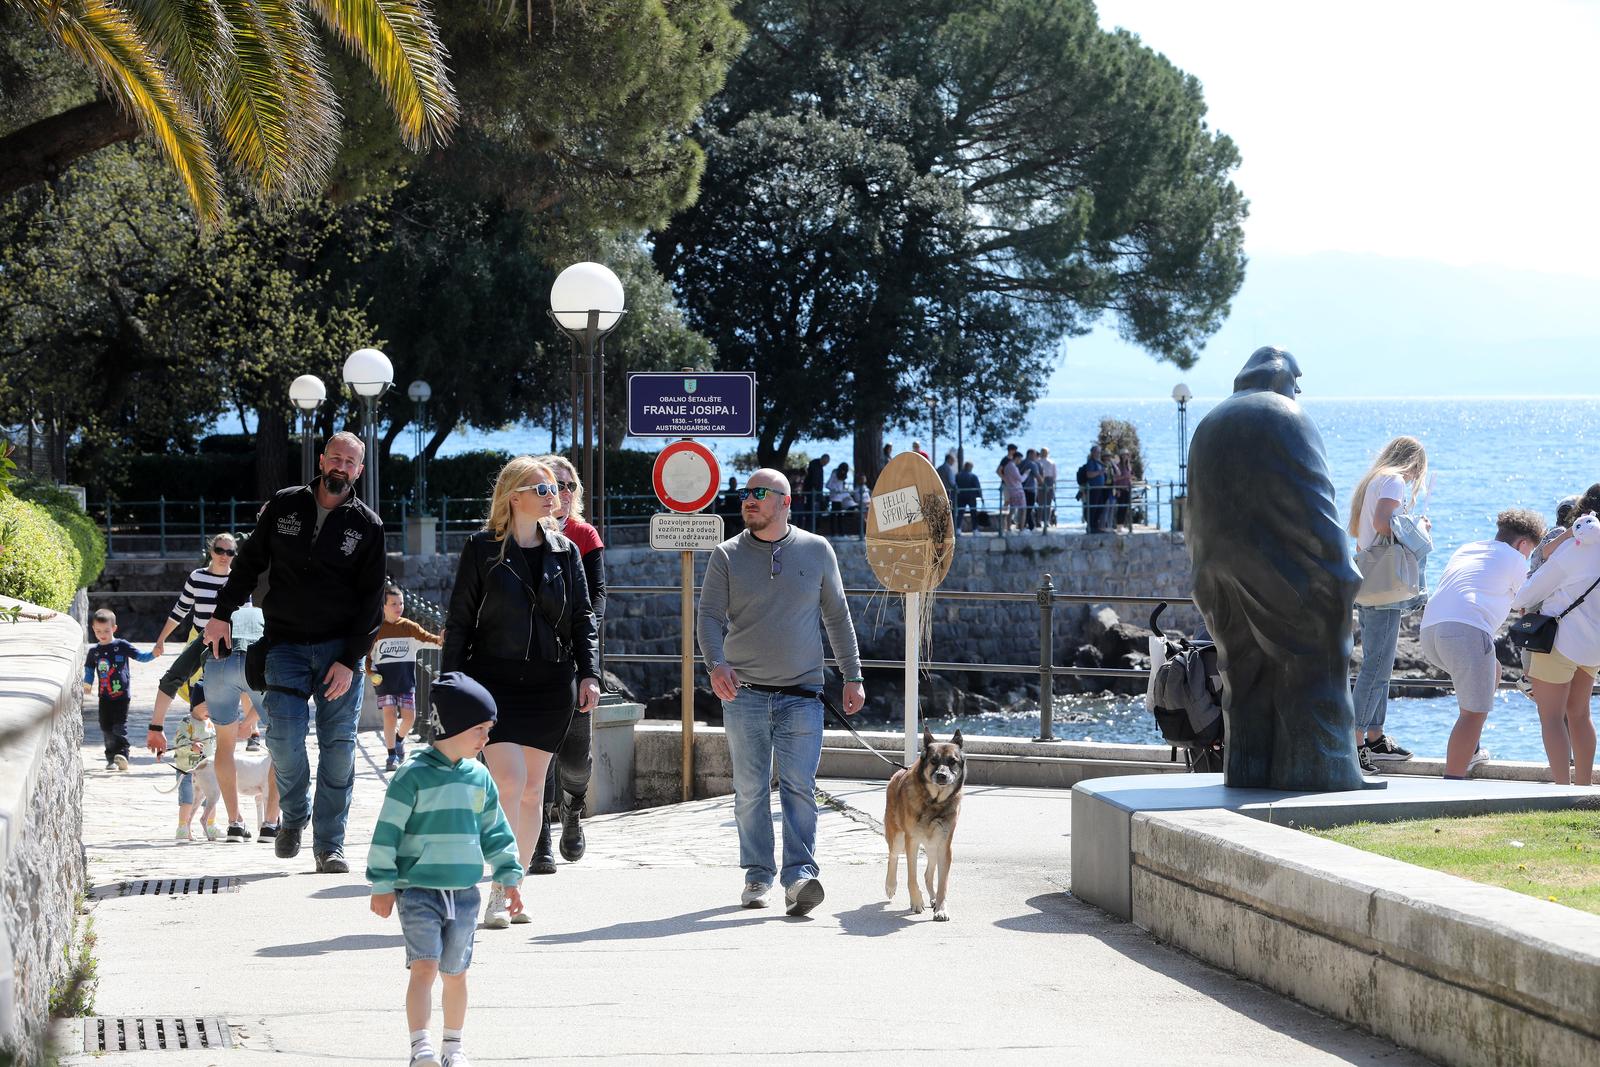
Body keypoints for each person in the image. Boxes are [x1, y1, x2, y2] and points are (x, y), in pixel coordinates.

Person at [204, 431, 387, 874]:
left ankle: (329, 845)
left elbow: (372, 601)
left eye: (350, 462)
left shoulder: (368, 525)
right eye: (336, 458)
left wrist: (350, 659)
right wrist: (222, 614)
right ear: (322, 460)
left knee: (338, 750)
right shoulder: (285, 505)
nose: (341, 467)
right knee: (283, 741)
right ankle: (294, 813)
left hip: (339, 653)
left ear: (359, 471)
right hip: (284, 643)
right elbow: (249, 564)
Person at [696, 468, 866, 915]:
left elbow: (837, 616)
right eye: (745, 493)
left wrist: (853, 675)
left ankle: (799, 878)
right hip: (745, 694)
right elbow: (709, 616)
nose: (748, 500)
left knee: (799, 787)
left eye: (759, 493)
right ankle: (758, 875)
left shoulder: (817, 549)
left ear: (785, 502)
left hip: (803, 694)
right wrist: (716, 665)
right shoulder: (726, 554)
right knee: (749, 790)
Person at [441, 456, 600, 927]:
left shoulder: (565, 551)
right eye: (542, 488)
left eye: (555, 488)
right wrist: (450, 684)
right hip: (495, 682)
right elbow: (459, 621)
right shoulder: (481, 549)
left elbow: (582, 619)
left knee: (532, 792)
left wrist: (589, 674)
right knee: (508, 783)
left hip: (550, 685)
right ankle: (497, 887)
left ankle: (512, 889)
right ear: (514, 496)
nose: (554, 496)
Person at [368, 672, 523, 1067]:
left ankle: (453, 1047)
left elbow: (496, 831)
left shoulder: (480, 778)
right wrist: (382, 883)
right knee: (424, 966)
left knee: (456, 973)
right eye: (480, 729)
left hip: (465, 894)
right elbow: (387, 832)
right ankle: (420, 1047)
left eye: (488, 730)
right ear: (451, 726)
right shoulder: (412, 776)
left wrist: (508, 877)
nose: (486, 738)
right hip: (417, 890)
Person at [1418, 509, 1545, 778]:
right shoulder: (1515, 559)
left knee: (1493, 670)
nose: (1528, 556)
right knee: (1472, 715)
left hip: (1430, 631)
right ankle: (1452, 783)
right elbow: (1530, 602)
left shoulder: (1468, 549)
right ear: (1523, 544)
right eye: (1530, 550)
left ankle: (1472, 749)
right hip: (1465, 631)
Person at [529, 454, 608, 875]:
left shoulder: (583, 534)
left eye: (567, 485)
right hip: (532, 662)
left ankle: (573, 808)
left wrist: (584, 643)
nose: (560, 492)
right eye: (551, 484)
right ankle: (540, 838)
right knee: (537, 752)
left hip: (576, 656)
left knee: (575, 757)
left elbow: (597, 596)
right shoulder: (523, 533)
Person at [1346, 435, 1429, 775]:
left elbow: (1367, 533)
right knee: (1377, 666)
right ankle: (1355, 743)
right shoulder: (1394, 479)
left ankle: (1375, 736)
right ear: (1414, 463)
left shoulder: (1374, 480)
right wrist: (1417, 527)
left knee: (1378, 664)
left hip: (1370, 581)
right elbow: (1384, 523)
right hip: (1385, 584)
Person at [1510, 510, 1600, 786]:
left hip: (1558, 642)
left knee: (1551, 718)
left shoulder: (1576, 549)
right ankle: (1584, 786)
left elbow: (1525, 596)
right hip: (1593, 646)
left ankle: (1562, 789)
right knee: (1580, 715)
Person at [189, 595, 276, 841]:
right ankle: (271, 824)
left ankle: (235, 824)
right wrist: (248, 722)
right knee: (279, 744)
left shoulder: (222, 616)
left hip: (219, 666)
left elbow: (183, 665)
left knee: (225, 747)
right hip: (256, 664)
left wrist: (156, 723)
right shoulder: (265, 617)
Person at [148, 533, 238, 753]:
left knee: (234, 689)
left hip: (228, 641)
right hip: (201, 638)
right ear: (211, 551)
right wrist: (161, 640)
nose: (224, 556)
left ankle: (249, 732)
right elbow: (180, 610)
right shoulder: (197, 577)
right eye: (220, 550)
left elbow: (246, 614)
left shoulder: (238, 579)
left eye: (230, 552)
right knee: (191, 689)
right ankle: (192, 741)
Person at [371, 587, 444, 772]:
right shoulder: (377, 630)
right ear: (383, 606)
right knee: (389, 716)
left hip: (405, 682)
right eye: (393, 604)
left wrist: (442, 640)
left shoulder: (410, 627)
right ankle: (391, 755)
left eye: (401, 603)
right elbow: (368, 658)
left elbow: (429, 639)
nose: (399, 607)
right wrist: (371, 674)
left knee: (409, 718)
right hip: (385, 683)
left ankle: (398, 740)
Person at [83, 608, 156, 771]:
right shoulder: (94, 652)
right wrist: (87, 684)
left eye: (106, 630)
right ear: (93, 629)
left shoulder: (121, 646)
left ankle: (123, 755)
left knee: (119, 726)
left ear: (114, 628)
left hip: (122, 696)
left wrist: (153, 654)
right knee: (105, 727)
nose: (102, 634)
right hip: (104, 697)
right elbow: (89, 670)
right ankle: (110, 758)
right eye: (98, 631)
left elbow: (140, 656)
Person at [170, 703, 218, 842]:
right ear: (195, 705)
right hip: (187, 770)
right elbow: (179, 741)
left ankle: (211, 825)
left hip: (207, 771)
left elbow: (214, 743)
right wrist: (192, 746)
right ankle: (183, 827)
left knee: (211, 799)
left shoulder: (211, 723)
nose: (210, 710)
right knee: (188, 799)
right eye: (206, 706)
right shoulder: (187, 722)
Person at [801, 453, 829, 531]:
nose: (825, 464)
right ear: (822, 459)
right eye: (825, 462)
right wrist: (814, 489)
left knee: (816, 513)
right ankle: (810, 529)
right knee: (811, 512)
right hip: (812, 493)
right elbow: (814, 479)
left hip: (817, 493)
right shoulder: (814, 465)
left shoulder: (820, 466)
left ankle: (814, 528)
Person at [1082, 445, 1108, 532]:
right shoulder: (1091, 462)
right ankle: (1091, 526)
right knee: (1093, 508)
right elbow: (1089, 474)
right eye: (1097, 452)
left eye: (1099, 452)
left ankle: (1095, 526)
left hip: (1100, 488)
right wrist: (1100, 472)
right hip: (1094, 488)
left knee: (1099, 507)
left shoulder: (1099, 462)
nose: (1098, 454)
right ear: (1093, 453)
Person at [999, 447, 1024, 534]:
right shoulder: (1006, 460)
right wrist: (1006, 480)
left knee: (1012, 504)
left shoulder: (1011, 462)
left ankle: (1009, 523)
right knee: (1007, 502)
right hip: (1008, 485)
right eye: (1014, 450)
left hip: (1011, 485)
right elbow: (998, 471)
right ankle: (1004, 523)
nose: (1015, 451)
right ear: (1011, 450)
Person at [954, 461, 982, 534]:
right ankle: (975, 530)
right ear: (970, 467)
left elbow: (955, 486)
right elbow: (978, 487)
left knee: (960, 513)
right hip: (971, 497)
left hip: (960, 497)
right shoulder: (973, 476)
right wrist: (981, 497)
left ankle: (958, 529)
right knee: (973, 514)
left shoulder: (957, 475)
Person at [1113, 451, 1135, 532]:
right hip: (1120, 489)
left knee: (1125, 508)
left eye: (1127, 455)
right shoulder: (1118, 466)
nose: (1125, 457)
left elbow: (1129, 476)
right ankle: (1118, 525)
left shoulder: (1128, 466)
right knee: (1121, 508)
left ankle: (1122, 525)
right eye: (1124, 455)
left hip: (1127, 489)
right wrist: (1124, 477)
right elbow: (1115, 479)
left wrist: (1130, 478)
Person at [1018, 448, 1040, 530]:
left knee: (1025, 508)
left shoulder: (1021, 463)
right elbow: (1037, 476)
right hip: (1030, 489)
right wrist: (1044, 485)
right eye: (1034, 455)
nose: (1036, 457)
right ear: (1030, 455)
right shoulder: (1032, 464)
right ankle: (1024, 526)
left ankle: (1031, 526)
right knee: (1029, 508)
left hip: (1021, 488)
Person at [1037, 446, 1057, 528]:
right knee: (1048, 503)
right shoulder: (1051, 462)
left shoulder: (1037, 462)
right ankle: (1046, 521)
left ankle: (1039, 520)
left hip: (1040, 481)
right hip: (1049, 481)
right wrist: (1054, 484)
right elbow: (1054, 475)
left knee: (1040, 503)